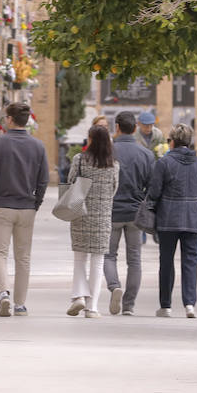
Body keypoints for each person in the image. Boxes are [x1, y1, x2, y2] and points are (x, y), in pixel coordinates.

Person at [0, 101, 50, 317]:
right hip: (26, 207)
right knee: (23, 258)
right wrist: (36, 203)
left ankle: (3, 293)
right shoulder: (38, 146)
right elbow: (43, 180)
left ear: (10, 120)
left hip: (1, 205)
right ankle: (20, 304)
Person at [145, 123, 197, 319]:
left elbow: (155, 192)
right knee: (190, 262)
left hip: (168, 218)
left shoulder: (164, 163)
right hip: (193, 218)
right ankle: (190, 304)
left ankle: (165, 306)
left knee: (166, 262)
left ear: (171, 142)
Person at [65, 124, 119, 318]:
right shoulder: (113, 164)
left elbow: (71, 181)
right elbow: (114, 189)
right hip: (103, 217)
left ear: (91, 140)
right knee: (97, 262)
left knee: (79, 259)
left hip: (81, 213)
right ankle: (92, 307)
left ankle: (78, 296)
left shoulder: (80, 160)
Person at [104, 110, 154, 316]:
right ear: (135, 128)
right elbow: (152, 187)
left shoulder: (108, 152)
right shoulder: (147, 154)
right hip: (135, 213)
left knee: (108, 255)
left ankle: (114, 285)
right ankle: (129, 305)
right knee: (134, 259)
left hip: (111, 210)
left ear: (117, 127)